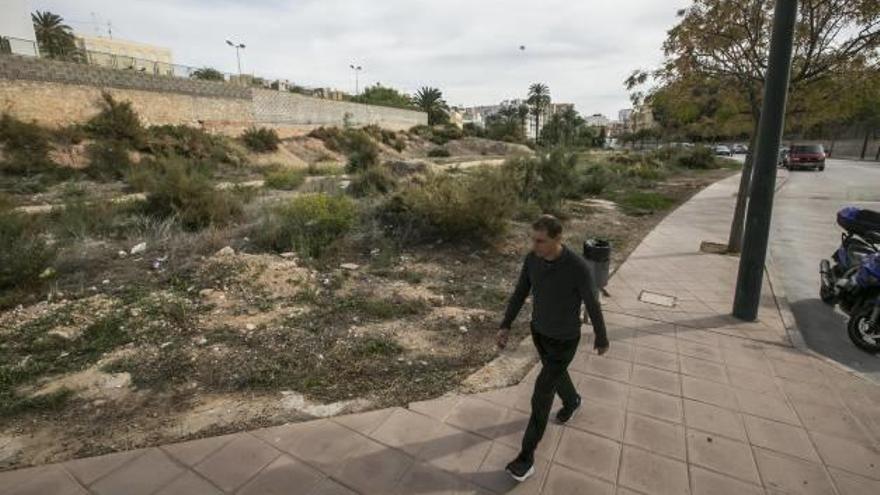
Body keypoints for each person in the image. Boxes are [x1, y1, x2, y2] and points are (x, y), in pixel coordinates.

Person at [496, 214, 609, 482]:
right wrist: (506, 325)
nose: (534, 246)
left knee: (542, 392)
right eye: (532, 239)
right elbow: (520, 292)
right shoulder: (532, 260)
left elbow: (593, 304)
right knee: (554, 375)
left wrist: (601, 337)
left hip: (565, 340)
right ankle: (572, 400)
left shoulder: (577, 267)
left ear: (558, 239)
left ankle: (526, 458)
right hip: (540, 333)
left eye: (540, 241)